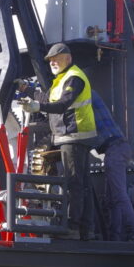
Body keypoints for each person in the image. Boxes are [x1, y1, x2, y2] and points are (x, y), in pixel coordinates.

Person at [19, 43, 97, 239]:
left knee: (74, 183)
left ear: (68, 58)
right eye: (50, 60)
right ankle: (85, 230)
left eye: (56, 58)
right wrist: (26, 89)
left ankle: (72, 227)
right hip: (72, 136)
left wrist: (38, 107)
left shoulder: (74, 78)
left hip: (74, 135)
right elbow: (47, 98)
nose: (52, 62)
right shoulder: (62, 79)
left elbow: (62, 105)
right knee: (82, 184)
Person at [90, 95, 134, 245]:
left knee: (118, 195)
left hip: (114, 149)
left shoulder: (83, 96)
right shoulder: (93, 95)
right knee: (113, 198)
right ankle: (115, 237)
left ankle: (133, 233)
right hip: (117, 148)